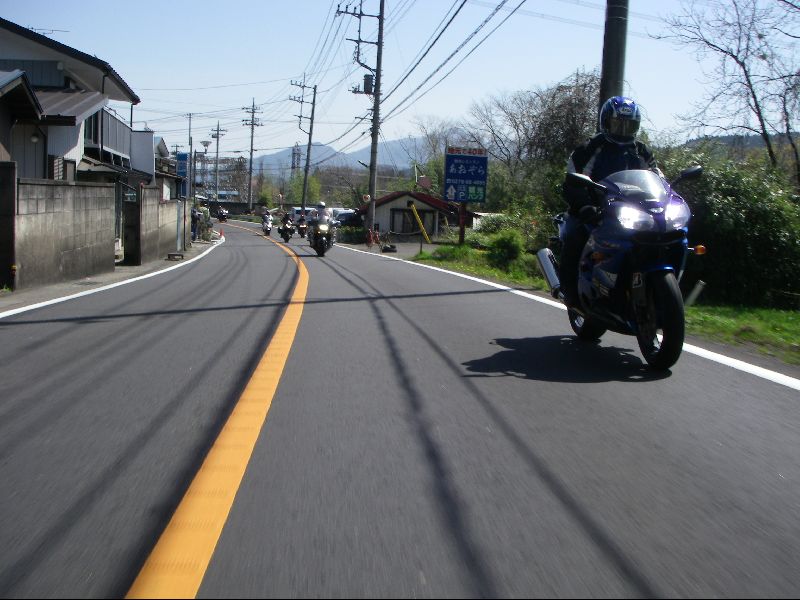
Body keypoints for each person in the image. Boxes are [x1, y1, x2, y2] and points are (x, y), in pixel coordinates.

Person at [559, 96, 661, 307]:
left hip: (632, 211)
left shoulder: (641, 151)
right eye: (617, 124)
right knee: (575, 235)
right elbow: (573, 178)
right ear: (606, 123)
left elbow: (657, 178)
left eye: (628, 125)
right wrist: (584, 205)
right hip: (594, 209)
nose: (623, 130)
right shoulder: (590, 147)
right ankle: (570, 293)